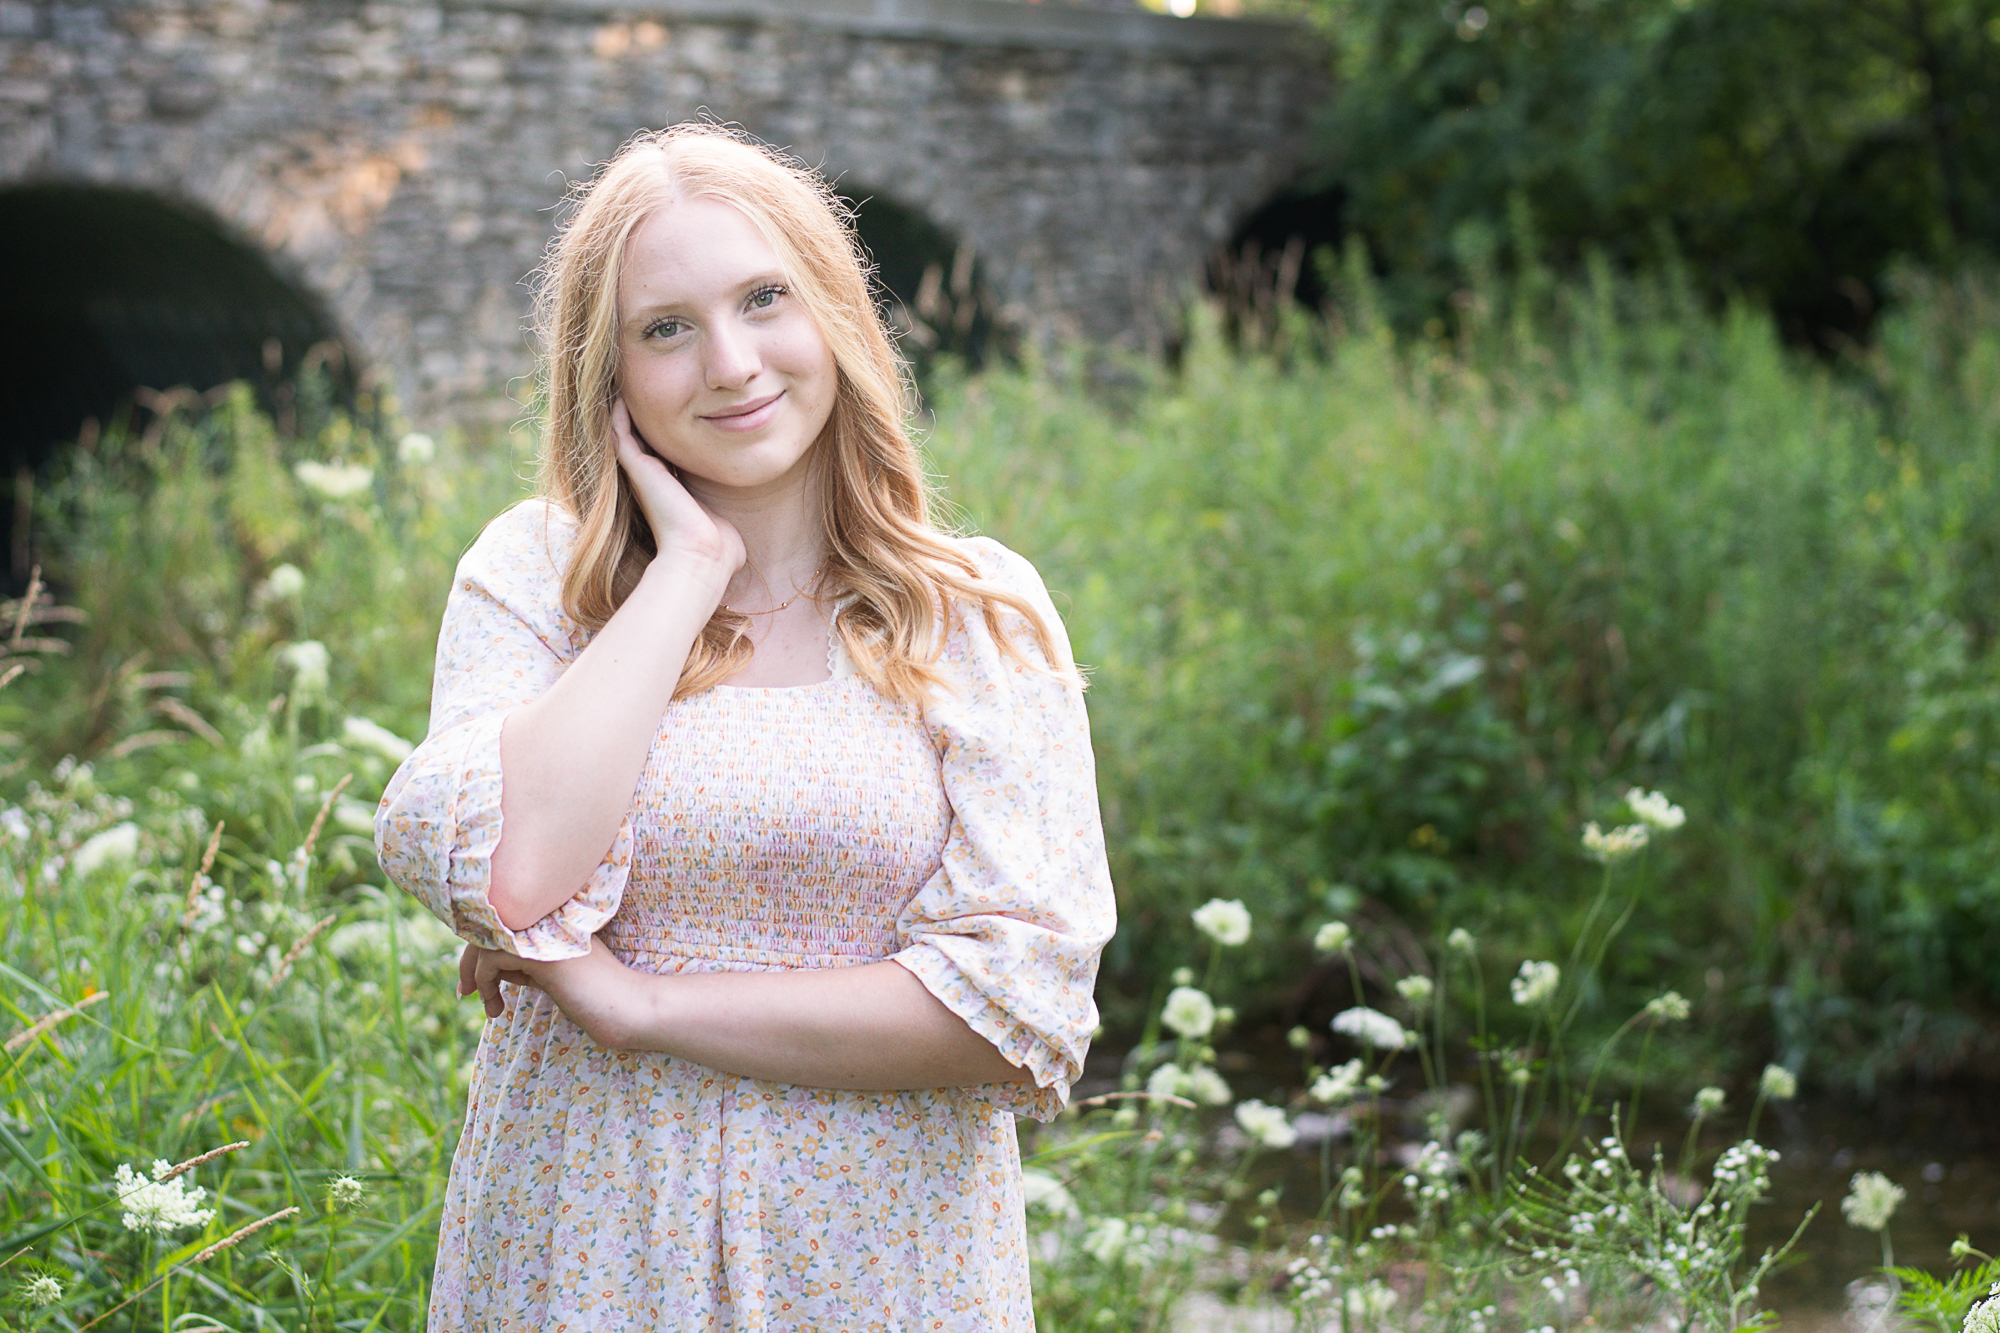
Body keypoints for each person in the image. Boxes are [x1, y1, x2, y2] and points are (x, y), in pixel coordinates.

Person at [373, 123, 1116, 1331]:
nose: (730, 363)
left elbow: (1015, 1008)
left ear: (832, 310)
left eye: (763, 298)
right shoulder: (539, 580)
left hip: (882, 1255)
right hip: (589, 1230)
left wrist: (639, 1004)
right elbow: (508, 870)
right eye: (666, 328)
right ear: (605, 374)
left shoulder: (973, 612)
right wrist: (686, 574)